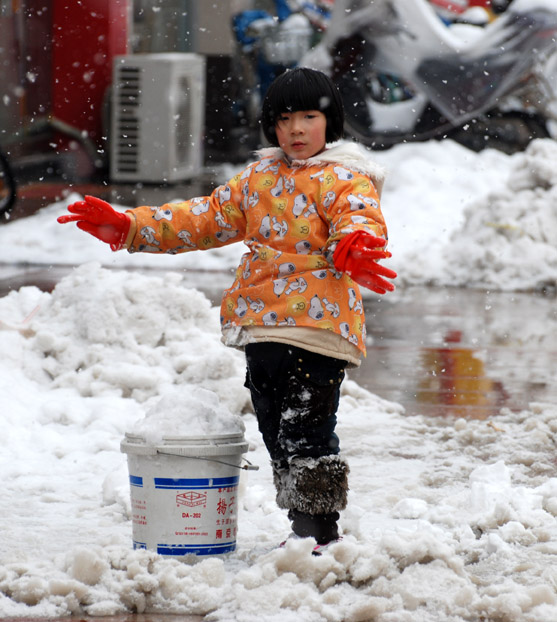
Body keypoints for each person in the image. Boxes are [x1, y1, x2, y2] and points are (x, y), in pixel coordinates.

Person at [57, 67, 397, 553]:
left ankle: (319, 529)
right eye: (284, 119)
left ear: (331, 121)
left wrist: (358, 244)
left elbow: (358, 218)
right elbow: (205, 218)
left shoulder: (346, 178)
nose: (296, 130)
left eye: (308, 116)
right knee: (274, 425)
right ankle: (301, 521)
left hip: (318, 328)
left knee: (308, 427)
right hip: (260, 326)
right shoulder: (259, 178)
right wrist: (132, 225)